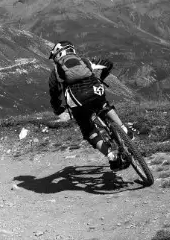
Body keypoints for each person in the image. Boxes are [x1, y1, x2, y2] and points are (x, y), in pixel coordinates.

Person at [47, 40, 131, 171]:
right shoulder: (85, 61)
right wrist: (102, 78)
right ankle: (124, 129)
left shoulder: (56, 71)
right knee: (104, 105)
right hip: (95, 89)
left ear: (57, 55)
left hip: (77, 100)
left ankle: (111, 155)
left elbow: (54, 93)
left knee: (88, 129)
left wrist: (58, 110)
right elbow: (107, 64)